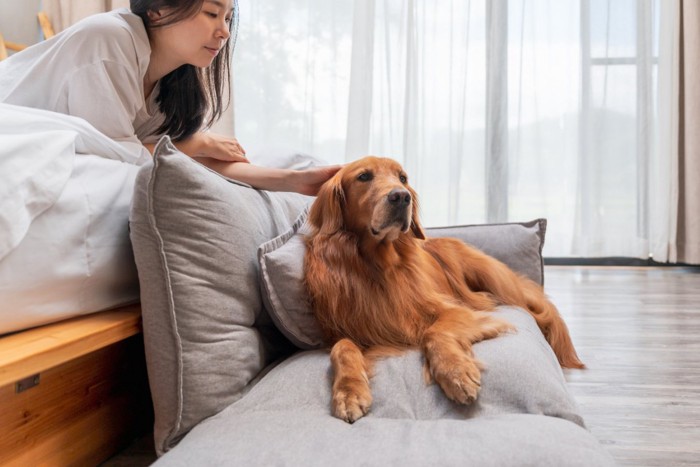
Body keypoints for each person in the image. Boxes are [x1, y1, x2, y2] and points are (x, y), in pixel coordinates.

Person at [0, 0, 340, 195]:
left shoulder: (175, 83)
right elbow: (116, 157)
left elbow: (167, 160)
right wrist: (195, 143)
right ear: (158, 10)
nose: (223, 30)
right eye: (211, 13)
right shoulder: (107, 40)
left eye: (228, 18)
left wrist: (292, 181)